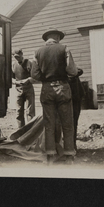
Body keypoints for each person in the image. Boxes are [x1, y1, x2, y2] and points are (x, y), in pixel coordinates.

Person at [30, 28, 78, 165]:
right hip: (63, 88)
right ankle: (69, 156)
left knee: (49, 124)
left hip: (47, 89)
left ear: (46, 39)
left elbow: (34, 75)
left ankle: (50, 155)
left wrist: (45, 78)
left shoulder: (37, 52)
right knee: (67, 123)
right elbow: (72, 71)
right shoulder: (64, 49)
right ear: (57, 37)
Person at [11, 49, 36, 128]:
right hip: (18, 90)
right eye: (15, 57)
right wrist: (15, 82)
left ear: (22, 54)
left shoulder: (29, 63)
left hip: (28, 89)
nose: (17, 58)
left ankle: (30, 131)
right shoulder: (13, 65)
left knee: (30, 111)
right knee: (19, 112)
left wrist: (28, 80)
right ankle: (20, 130)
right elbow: (11, 78)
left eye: (18, 56)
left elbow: (34, 76)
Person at [68, 65, 85, 152]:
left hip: (76, 97)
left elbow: (80, 70)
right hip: (66, 98)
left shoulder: (70, 66)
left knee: (74, 121)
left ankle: (73, 145)